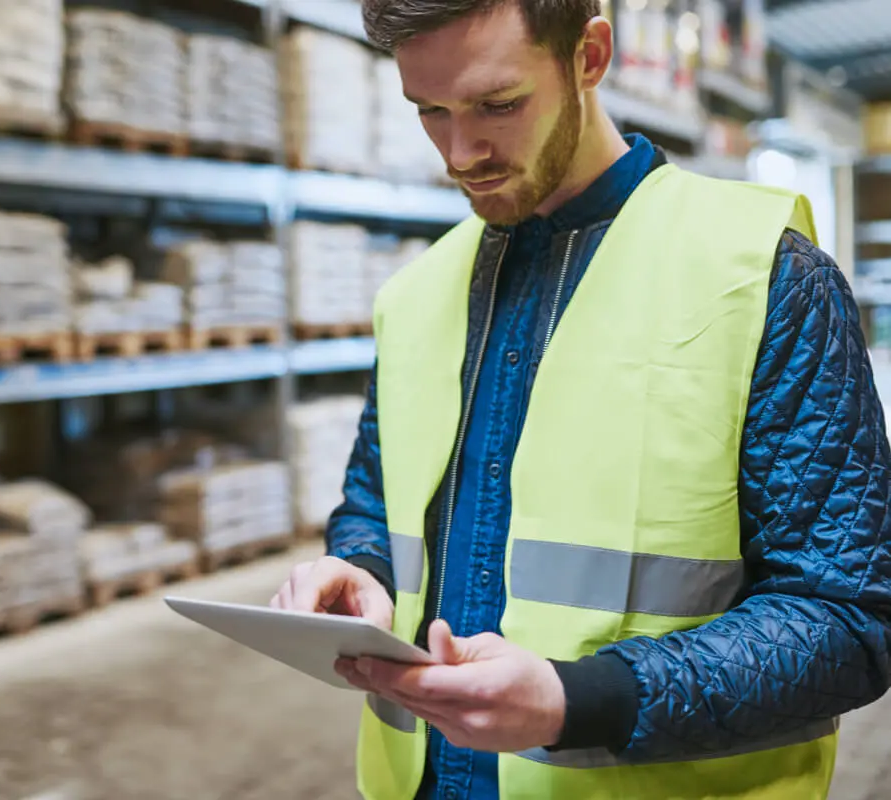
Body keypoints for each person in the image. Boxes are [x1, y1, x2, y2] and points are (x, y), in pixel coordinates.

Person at [269, 1, 891, 799]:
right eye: (430, 110)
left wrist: (578, 700)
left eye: (499, 105)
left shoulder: (765, 277)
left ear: (589, 57)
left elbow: (847, 621)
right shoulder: (417, 294)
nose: (462, 152)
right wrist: (359, 569)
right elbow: (370, 502)